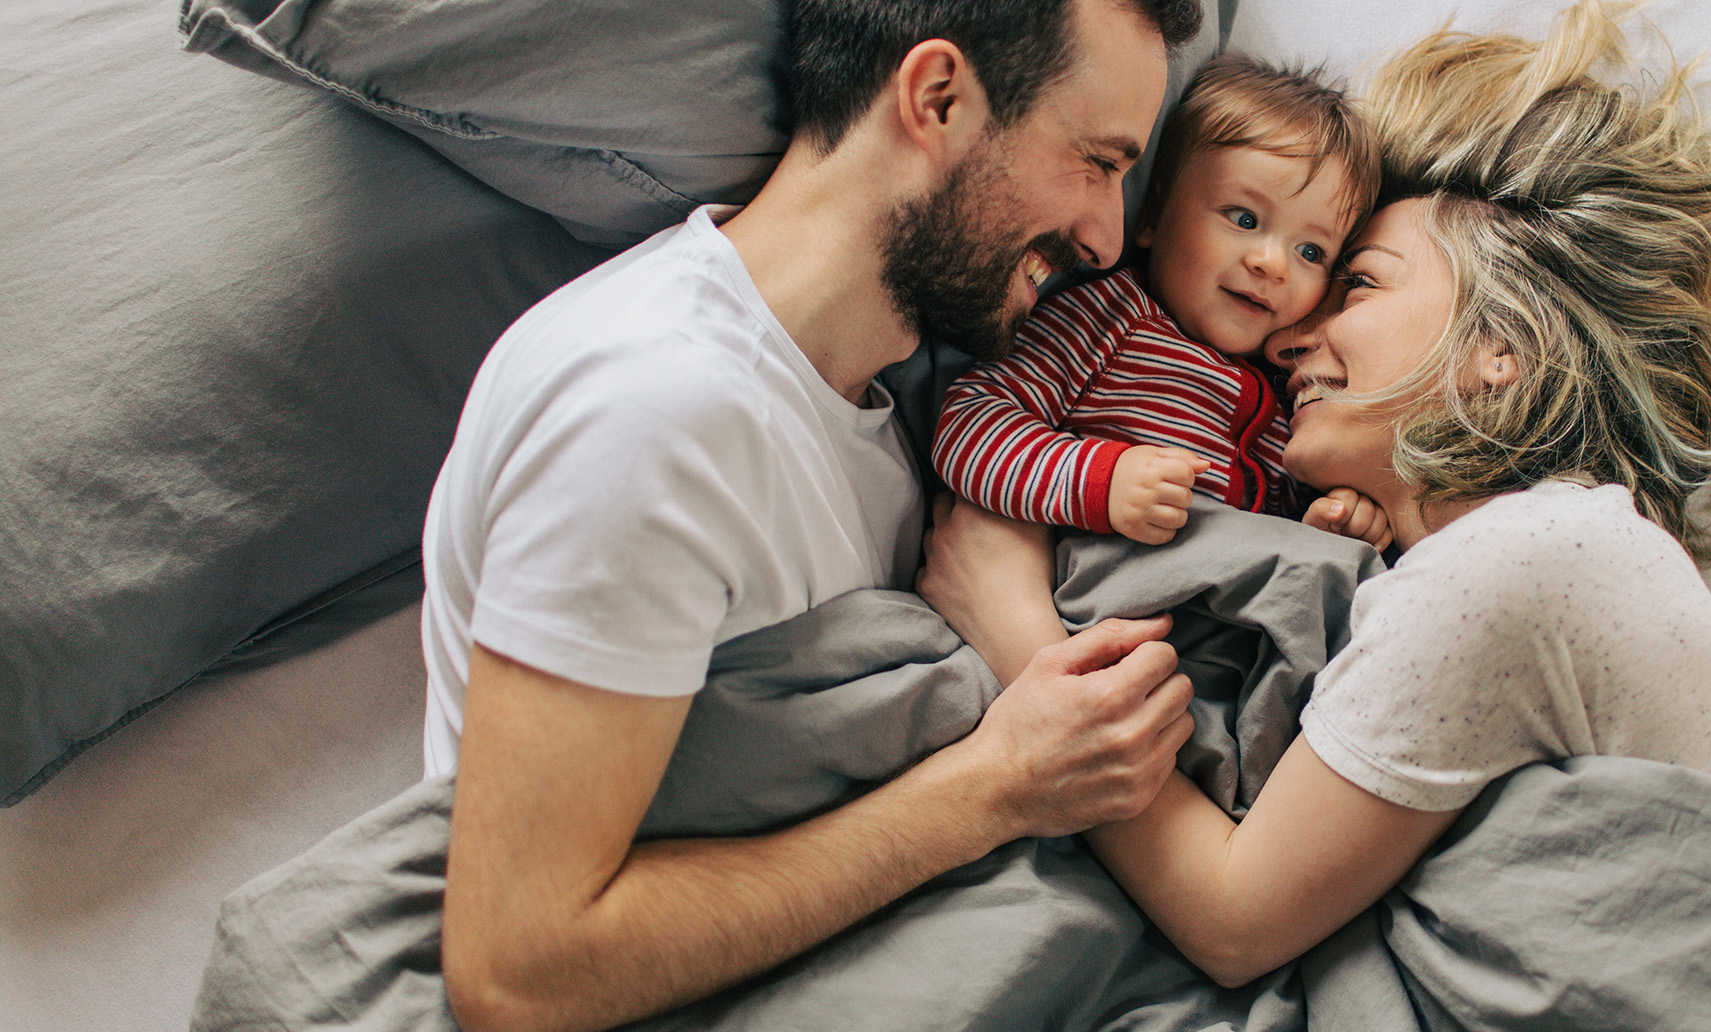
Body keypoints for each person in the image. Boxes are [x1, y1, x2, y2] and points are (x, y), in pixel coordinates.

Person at [917, 0, 1711, 992]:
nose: (1291, 333)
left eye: (1349, 284)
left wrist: (1015, 631)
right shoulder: (1468, 559)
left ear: (1495, 352)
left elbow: (1231, 920)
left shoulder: (1529, 554)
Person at [413, 2, 1206, 1030]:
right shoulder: (651, 411)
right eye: (1096, 162)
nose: (1106, 237)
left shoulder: (892, 408)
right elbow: (521, 967)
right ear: (937, 99)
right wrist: (999, 785)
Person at [932, 54, 1392, 548]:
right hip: (1090, 577)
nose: (1272, 264)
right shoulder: (1106, 321)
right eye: (1243, 219)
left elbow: (1275, 529)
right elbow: (968, 424)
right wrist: (1104, 482)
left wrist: (1330, 519)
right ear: (1152, 214)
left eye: (1310, 251)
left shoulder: (1291, 386)